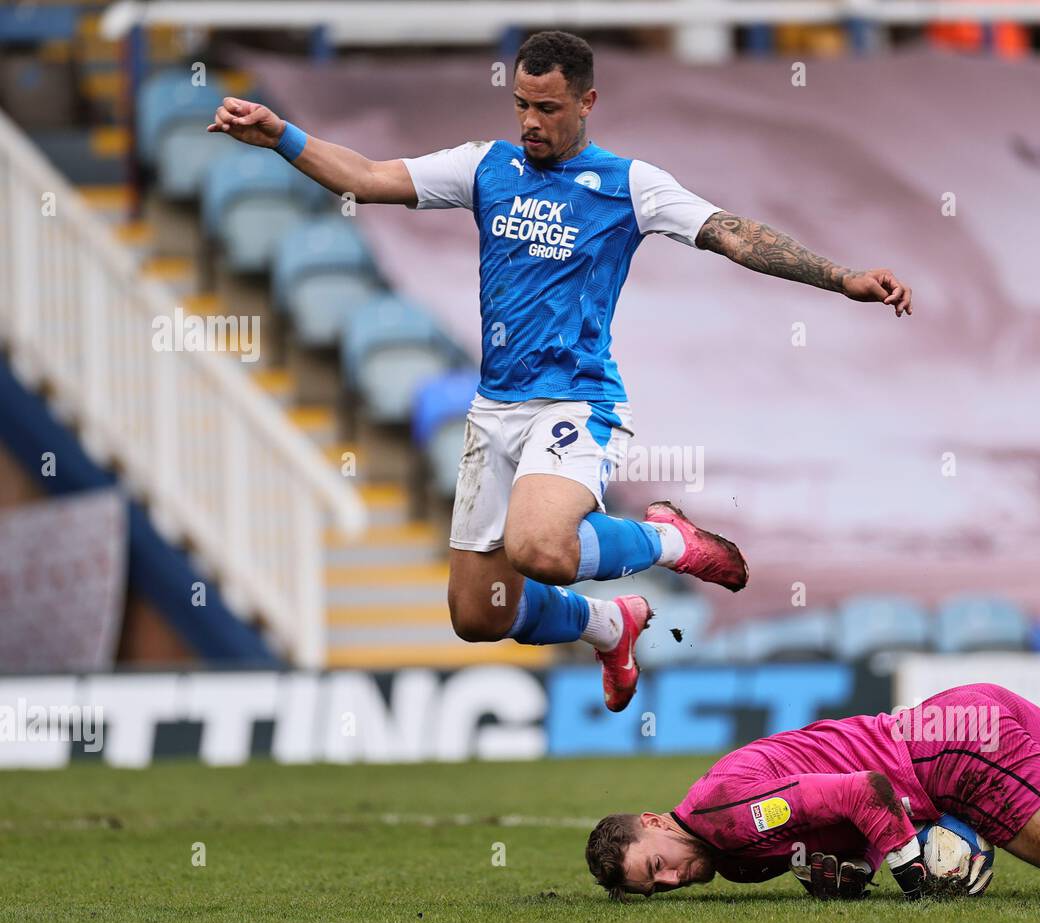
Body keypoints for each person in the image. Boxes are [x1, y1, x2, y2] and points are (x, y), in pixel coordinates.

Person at [208, 30, 913, 712]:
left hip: (575, 403)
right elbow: (366, 176)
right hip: (495, 411)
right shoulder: (486, 166)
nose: (530, 121)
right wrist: (280, 136)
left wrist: (841, 277)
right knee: (479, 613)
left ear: (587, 102)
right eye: (521, 104)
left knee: (541, 548)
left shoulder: (628, 184)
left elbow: (733, 234)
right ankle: (610, 625)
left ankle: (672, 539)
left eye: (547, 107)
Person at [585, 563, 1040, 899]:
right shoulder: (727, 847)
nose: (672, 880)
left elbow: (864, 790)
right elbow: (832, 814)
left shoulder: (727, 818)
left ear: (654, 821)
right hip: (965, 712)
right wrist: (855, 868)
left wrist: (911, 871)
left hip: (953, 754)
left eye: (657, 866)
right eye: (657, 888)